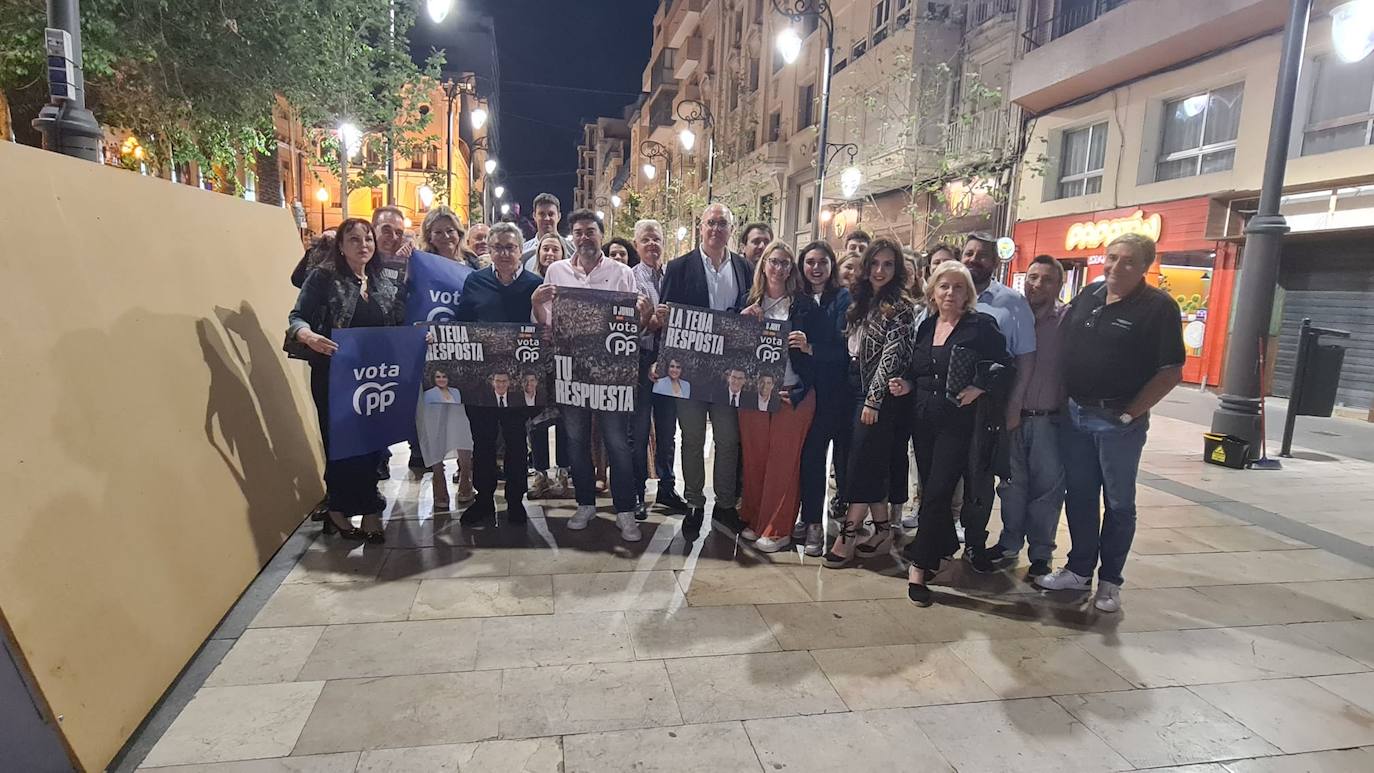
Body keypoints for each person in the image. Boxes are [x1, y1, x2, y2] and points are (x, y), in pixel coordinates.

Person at [1036, 234, 1185, 613]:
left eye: (1129, 261)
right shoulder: (1090, 294)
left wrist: (1129, 413)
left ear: (1145, 267)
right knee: (1081, 496)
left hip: (1117, 422)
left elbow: (1170, 371)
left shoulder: (1159, 308)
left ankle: (1110, 582)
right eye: (1112, 258)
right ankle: (1079, 569)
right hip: (1076, 415)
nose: (1117, 267)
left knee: (1119, 504)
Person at [892, 260, 1013, 606]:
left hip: (958, 421)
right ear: (932, 291)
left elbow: (1006, 367)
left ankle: (920, 565)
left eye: (958, 287)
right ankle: (943, 545)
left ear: (968, 294)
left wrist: (979, 386)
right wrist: (906, 383)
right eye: (944, 286)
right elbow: (920, 371)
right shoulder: (927, 325)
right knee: (931, 488)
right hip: (923, 418)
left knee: (939, 491)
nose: (950, 293)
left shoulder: (981, 326)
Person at [531, 208, 650, 542]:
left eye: (590, 231)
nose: (584, 237)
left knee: (616, 443)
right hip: (572, 371)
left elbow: (631, 328)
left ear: (601, 233)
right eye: (578, 232)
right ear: (572, 236)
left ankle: (625, 510)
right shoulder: (555, 270)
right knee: (576, 441)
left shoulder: (622, 272)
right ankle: (585, 504)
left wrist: (643, 314)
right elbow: (545, 326)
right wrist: (537, 302)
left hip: (611, 374)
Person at [287, 218, 408, 543]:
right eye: (354, 240)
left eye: (367, 239)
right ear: (341, 246)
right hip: (334, 374)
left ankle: (368, 510)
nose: (363, 245)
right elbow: (296, 317)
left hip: (375, 375)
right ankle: (339, 510)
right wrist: (308, 335)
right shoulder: (322, 278)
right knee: (341, 444)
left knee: (371, 444)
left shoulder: (384, 280)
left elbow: (397, 321)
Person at [656, 202, 753, 534]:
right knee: (692, 437)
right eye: (711, 223)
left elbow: (751, 313)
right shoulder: (679, 266)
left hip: (729, 372)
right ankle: (695, 503)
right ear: (700, 227)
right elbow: (665, 320)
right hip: (690, 371)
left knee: (728, 439)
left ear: (731, 229)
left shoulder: (744, 267)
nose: (716, 229)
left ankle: (725, 504)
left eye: (722, 224)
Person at [823, 238, 916, 568]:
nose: (880, 270)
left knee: (862, 462)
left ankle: (848, 534)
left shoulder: (901, 307)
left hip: (875, 393)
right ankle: (881, 531)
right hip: (849, 386)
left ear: (897, 269)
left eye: (888, 264)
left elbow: (892, 357)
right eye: (875, 263)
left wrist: (874, 400)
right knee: (858, 460)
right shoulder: (859, 300)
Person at [983, 255, 1070, 578]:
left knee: (1047, 489)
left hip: (1049, 419)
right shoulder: (1013, 315)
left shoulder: (1066, 321)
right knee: (1010, 485)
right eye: (1032, 277)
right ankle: (1008, 543)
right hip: (1010, 416)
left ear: (1059, 285)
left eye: (1047, 279)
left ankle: (1041, 553)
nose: (1037, 284)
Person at [452, 221, 544, 525]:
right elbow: (462, 323)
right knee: (483, 441)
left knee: (518, 442)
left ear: (521, 250)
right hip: (481, 381)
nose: (504, 252)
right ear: (489, 250)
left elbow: (544, 328)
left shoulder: (535, 284)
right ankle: (484, 501)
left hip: (520, 382)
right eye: (498, 247)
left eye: (510, 246)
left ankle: (516, 501)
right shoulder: (474, 282)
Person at [958, 233, 1037, 570]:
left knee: (980, 477)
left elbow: (1025, 359)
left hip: (987, 407)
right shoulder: (945, 294)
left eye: (982, 255)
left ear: (996, 261)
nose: (974, 259)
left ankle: (974, 543)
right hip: (943, 405)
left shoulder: (1012, 303)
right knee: (941, 475)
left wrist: (1014, 407)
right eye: (969, 253)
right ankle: (939, 536)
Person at [736, 241, 818, 553]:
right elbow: (732, 349)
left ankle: (779, 528)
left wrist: (808, 346)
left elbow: (824, 348)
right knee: (756, 460)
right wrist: (742, 324)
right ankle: (757, 520)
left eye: (786, 263)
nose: (779, 268)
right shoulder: (750, 301)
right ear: (764, 265)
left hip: (790, 393)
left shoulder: (803, 305)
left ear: (791, 269)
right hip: (754, 394)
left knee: (783, 463)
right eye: (774, 261)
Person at [418, 205, 478, 504]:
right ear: (429, 235)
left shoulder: (473, 265)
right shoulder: (419, 265)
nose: (444, 236)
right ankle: (439, 477)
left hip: (465, 352)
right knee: (432, 418)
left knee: (464, 417)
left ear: (459, 233)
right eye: (437, 231)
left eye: (450, 230)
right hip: (429, 351)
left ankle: (466, 476)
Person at [796, 240, 852, 557]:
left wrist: (812, 348)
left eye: (822, 262)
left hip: (835, 392)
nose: (816, 268)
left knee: (831, 459)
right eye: (810, 262)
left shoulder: (844, 298)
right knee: (809, 457)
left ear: (832, 266)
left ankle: (822, 526)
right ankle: (808, 518)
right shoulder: (798, 299)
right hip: (803, 390)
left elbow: (845, 349)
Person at [632, 220, 688, 514]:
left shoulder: (674, 276)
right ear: (636, 245)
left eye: (656, 239)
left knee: (668, 431)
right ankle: (638, 492)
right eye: (646, 240)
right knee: (639, 431)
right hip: (641, 363)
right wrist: (651, 323)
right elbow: (625, 329)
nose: (652, 245)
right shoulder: (630, 279)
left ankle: (667, 487)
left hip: (671, 364)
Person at [419, 369, 474, 511]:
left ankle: (466, 474)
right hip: (426, 360)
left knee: (463, 425)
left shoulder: (455, 390)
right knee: (431, 426)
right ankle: (438, 477)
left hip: (460, 356)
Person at [522, 193, 574, 272]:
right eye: (541, 214)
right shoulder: (523, 252)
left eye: (551, 214)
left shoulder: (573, 251)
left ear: (559, 216)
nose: (546, 218)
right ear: (534, 216)